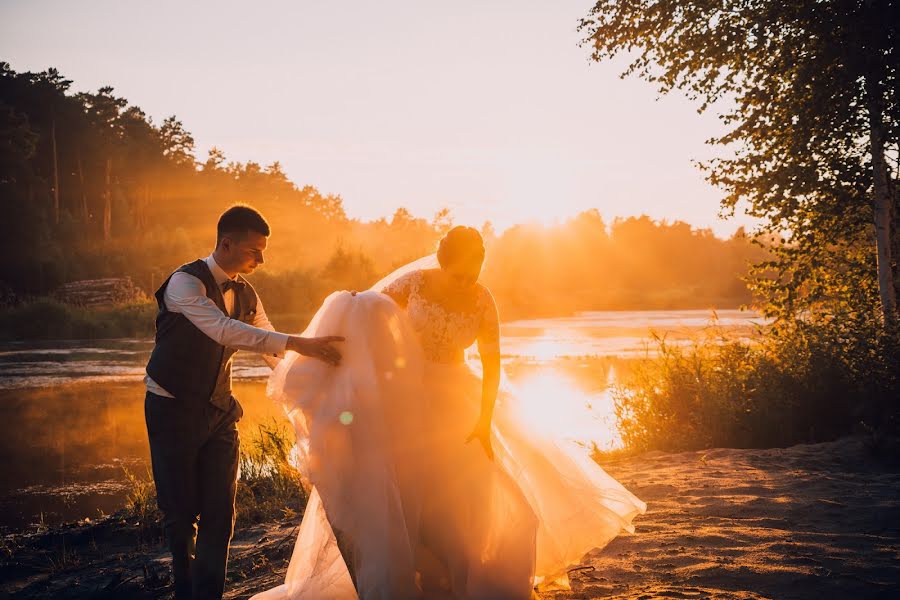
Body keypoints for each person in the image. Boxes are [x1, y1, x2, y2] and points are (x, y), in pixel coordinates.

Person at [255, 226, 647, 600]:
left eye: (475, 270)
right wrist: (349, 316)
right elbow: (371, 317)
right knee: (407, 483)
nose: (467, 281)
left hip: (457, 396)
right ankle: (411, 570)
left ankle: (454, 569)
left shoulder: (482, 298)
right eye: (461, 273)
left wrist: (483, 419)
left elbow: (493, 366)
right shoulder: (414, 284)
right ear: (444, 262)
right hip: (406, 395)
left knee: (460, 491)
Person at [144, 205, 344, 600]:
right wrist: (297, 341)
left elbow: (271, 348)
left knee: (221, 515)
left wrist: (322, 378)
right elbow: (224, 330)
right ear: (226, 243)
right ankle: (186, 593)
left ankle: (209, 596)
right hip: (171, 409)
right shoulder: (185, 284)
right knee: (181, 517)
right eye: (255, 251)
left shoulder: (248, 293)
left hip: (220, 413)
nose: (262, 260)